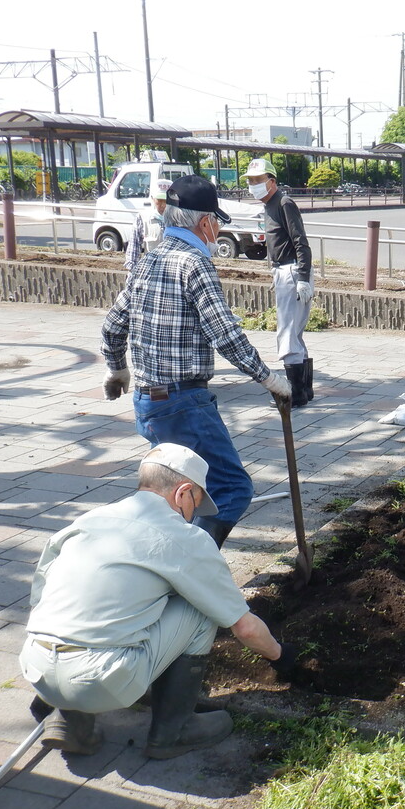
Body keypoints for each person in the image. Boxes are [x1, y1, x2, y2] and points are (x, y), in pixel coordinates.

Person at [19, 443, 298, 759]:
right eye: (196, 504)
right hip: (99, 681)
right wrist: (281, 656)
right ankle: (174, 731)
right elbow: (244, 628)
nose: (193, 515)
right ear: (183, 494)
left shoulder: (88, 521)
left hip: (37, 670)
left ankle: (70, 722)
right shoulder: (185, 538)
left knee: (95, 603)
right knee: (200, 607)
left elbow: (41, 595)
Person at [101, 174, 292, 549]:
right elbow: (226, 335)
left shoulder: (147, 261)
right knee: (231, 488)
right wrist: (270, 379)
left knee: (177, 499)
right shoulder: (195, 265)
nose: (217, 228)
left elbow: (112, 325)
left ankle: (166, 565)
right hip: (183, 404)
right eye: (216, 221)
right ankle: (190, 570)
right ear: (205, 223)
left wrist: (116, 368)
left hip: (148, 402)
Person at [245, 158, 315, 407]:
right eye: (251, 181)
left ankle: (294, 394)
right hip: (285, 271)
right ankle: (305, 391)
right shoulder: (269, 205)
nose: (253, 185)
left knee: (286, 332)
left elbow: (300, 241)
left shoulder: (283, 203)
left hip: (292, 271)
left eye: (258, 180)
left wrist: (303, 278)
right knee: (294, 332)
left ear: (271, 181)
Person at [125, 177, 171, 278]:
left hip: (172, 274)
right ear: (152, 198)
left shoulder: (179, 220)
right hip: (151, 273)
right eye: (159, 200)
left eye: (166, 200)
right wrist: (132, 273)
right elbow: (134, 247)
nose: (163, 205)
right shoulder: (143, 218)